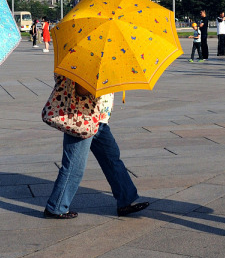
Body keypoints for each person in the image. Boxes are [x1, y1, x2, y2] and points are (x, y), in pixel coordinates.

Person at [44, 76, 149, 219]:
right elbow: (81, 90)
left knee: (111, 158)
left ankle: (126, 201)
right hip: (82, 119)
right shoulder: (82, 59)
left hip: (99, 120)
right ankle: (55, 207)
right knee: (74, 166)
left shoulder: (102, 60)